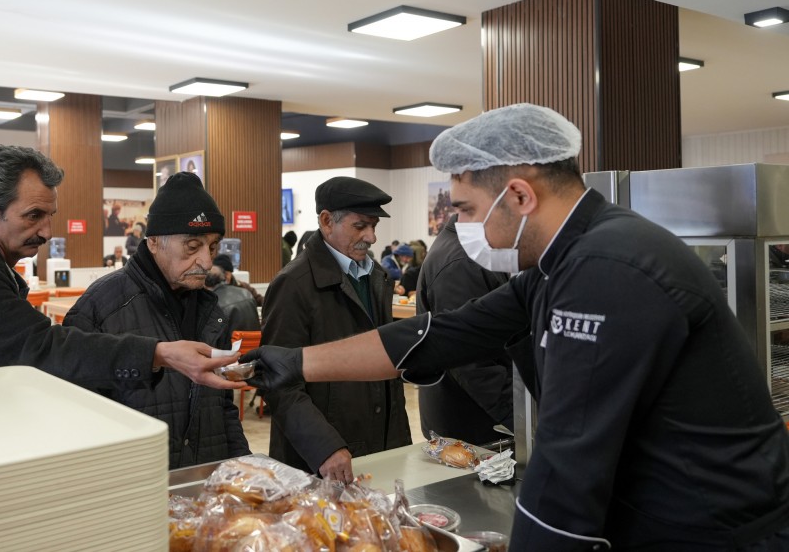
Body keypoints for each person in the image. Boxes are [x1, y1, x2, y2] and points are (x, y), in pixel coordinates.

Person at [245, 104, 789, 550]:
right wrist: (294, 362)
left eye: (466, 210)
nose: (460, 226)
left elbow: (567, 463)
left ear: (520, 196)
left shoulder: (606, 268)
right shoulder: (560, 262)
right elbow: (443, 334)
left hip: (710, 527)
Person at [0, 145, 246, 395]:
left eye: (50, 216)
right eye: (33, 215)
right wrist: (159, 353)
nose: (47, 232)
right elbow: (42, 349)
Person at [64, 172, 250, 468]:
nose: (206, 261)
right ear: (153, 242)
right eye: (192, 246)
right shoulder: (101, 307)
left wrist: (243, 466)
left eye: (213, 247)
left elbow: (223, 406)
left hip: (207, 481)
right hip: (136, 481)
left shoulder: (213, 312)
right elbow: (75, 415)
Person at [261, 176, 410, 482]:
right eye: (360, 226)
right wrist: (324, 445)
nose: (371, 237)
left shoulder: (377, 277)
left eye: (374, 226)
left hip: (381, 443)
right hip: (321, 458)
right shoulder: (293, 284)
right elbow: (278, 382)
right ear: (327, 221)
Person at [415, 213, 512, 445]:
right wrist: (522, 417)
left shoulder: (474, 251)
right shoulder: (463, 261)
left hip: (475, 417)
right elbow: (470, 362)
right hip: (473, 423)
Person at [206, 266, 260, 332]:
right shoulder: (247, 293)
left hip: (231, 338)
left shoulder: (214, 303)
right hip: (254, 337)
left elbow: (213, 334)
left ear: (204, 283)